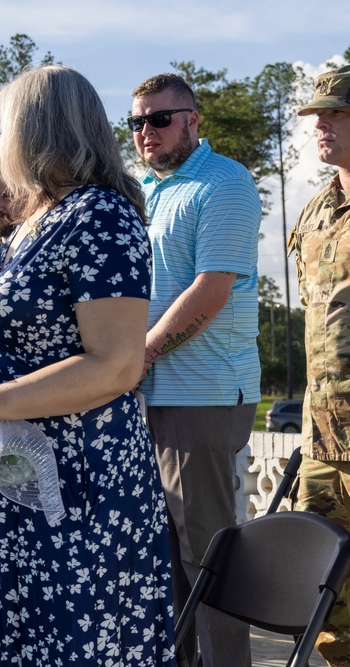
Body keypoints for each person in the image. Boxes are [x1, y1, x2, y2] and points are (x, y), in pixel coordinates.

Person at [0, 65, 177, 665]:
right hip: (14, 475)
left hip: (80, 485)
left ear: (36, 130)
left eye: (5, 126)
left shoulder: (101, 215)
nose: (1, 141)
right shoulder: (30, 227)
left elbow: (118, 365)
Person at [131, 72, 262, 667]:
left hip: (201, 394)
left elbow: (209, 293)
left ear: (193, 119)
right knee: (161, 561)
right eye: (136, 122)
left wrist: (141, 354)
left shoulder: (225, 182)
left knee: (205, 554)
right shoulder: (143, 191)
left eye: (160, 118)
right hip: (145, 394)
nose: (146, 132)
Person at [290, 64, 350, 667]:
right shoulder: (314, 215)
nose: (322, 125)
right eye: (317, 115)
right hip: (325, 444)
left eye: (336, 112)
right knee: (325, 607)